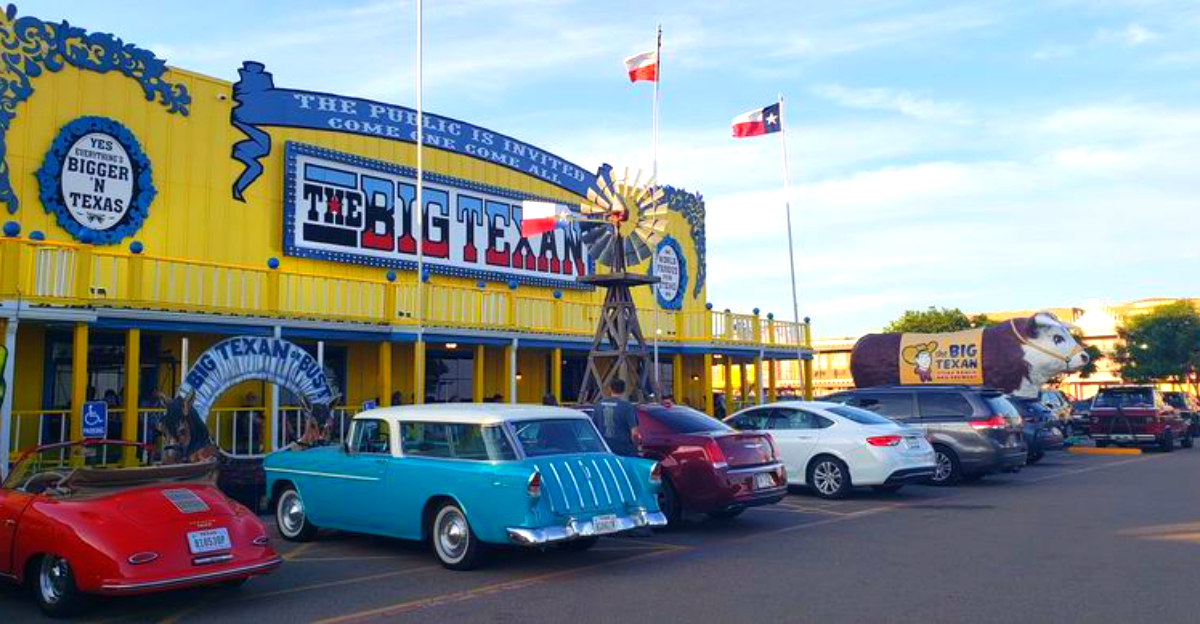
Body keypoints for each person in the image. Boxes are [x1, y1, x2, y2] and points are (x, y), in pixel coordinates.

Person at [592, 378, 640, 457]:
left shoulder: (598, 405)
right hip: (623, 450)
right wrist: (636, 445)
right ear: (624, 390)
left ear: (610, 388)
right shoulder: (627, 407)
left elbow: (593, 428)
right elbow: (634, 433)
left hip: (604, 448)